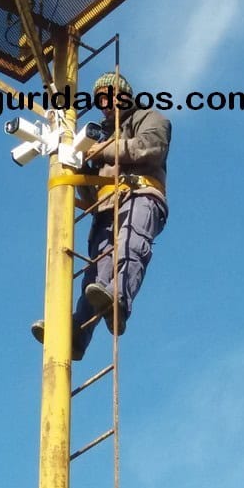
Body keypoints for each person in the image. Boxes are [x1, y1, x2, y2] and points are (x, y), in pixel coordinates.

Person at [31, 72, 171, 360]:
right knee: (96, 276)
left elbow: (150, 147)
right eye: (100, 100)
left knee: (130, 248)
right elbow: (90, 187)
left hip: (138, 195)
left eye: (110, 96)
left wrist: (102, 150)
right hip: (106, 208)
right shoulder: (100, 136)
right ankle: (75, 335)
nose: (104, 104)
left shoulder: (148, 118)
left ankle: (119, 303)